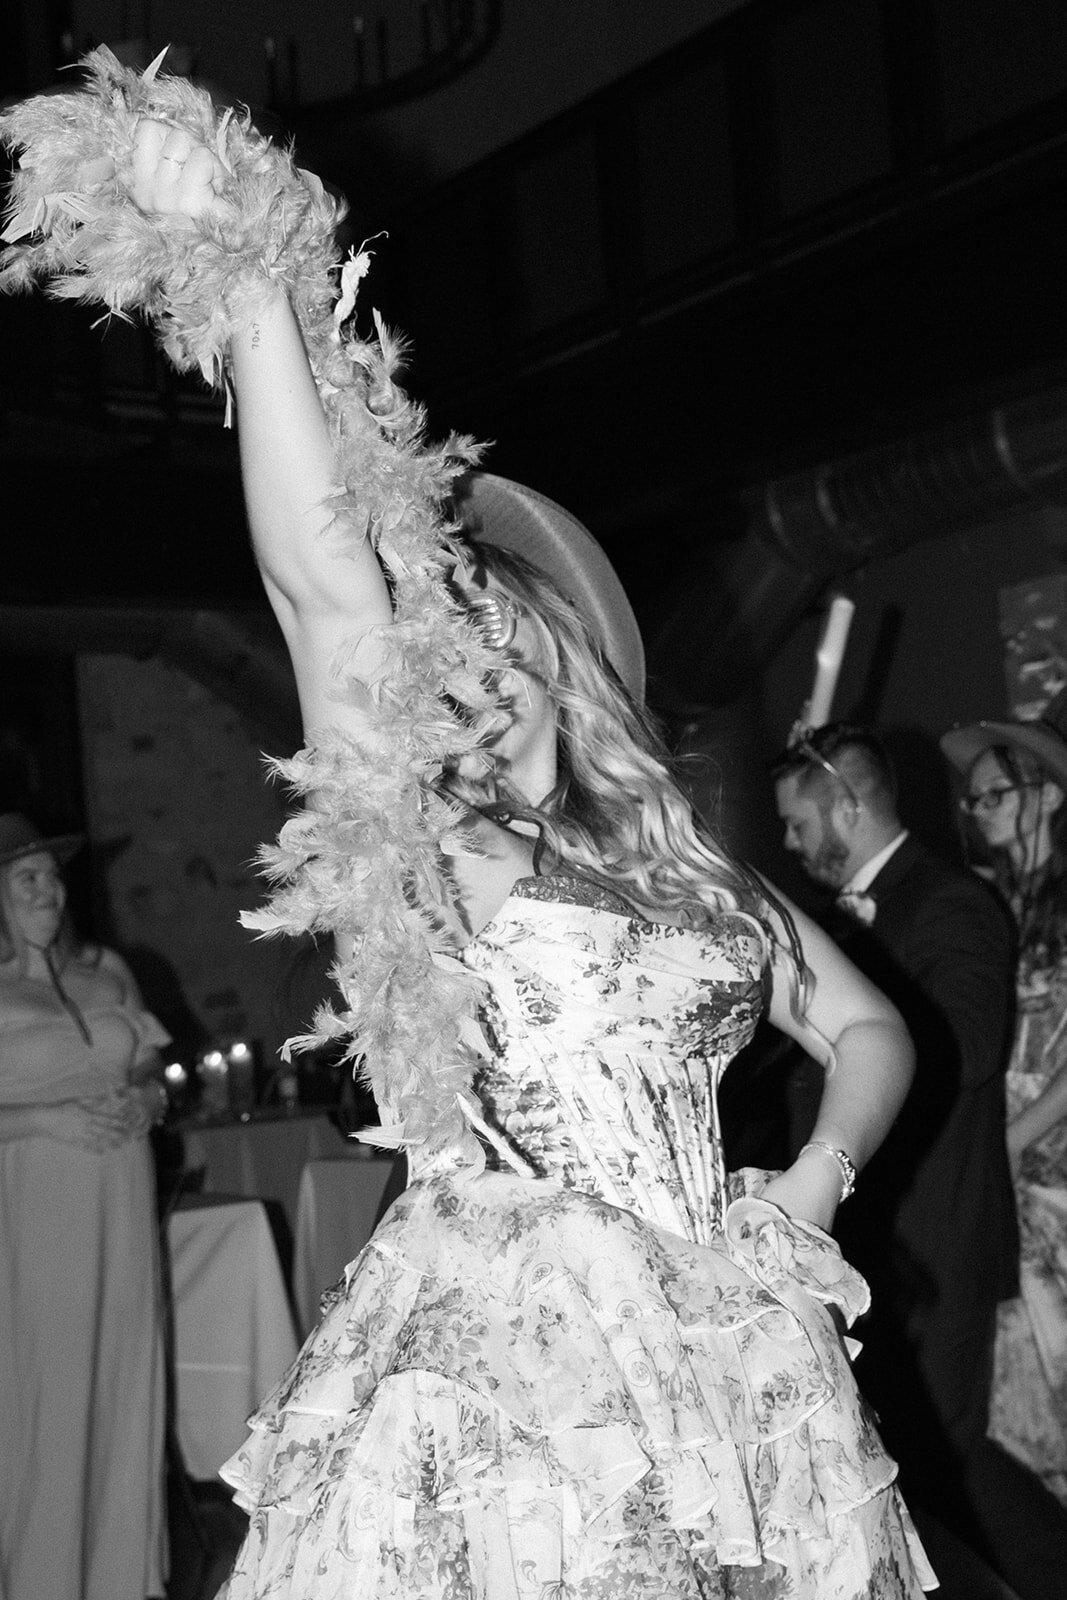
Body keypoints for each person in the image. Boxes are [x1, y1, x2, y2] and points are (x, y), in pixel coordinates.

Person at [1, 57, 935, 1598]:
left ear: (572, 675)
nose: (475, 692)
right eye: (445, 673)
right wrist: (250, 283)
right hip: (509, 1373)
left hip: (730, 1360)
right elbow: (320, 580)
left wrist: (814, 1184)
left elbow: (870, 1030)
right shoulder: (443, 852)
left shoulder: (686, 871)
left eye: (506, 662)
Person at [773, 724, 1067, 1600]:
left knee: (950, 1453)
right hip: (883, 1228)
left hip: (945, 1219)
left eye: (797, 822)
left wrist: (866, 1038)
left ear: (848, 806)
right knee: (935, 1450)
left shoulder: (953, 902)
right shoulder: (849, 916)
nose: (786, 843)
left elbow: (965, 1044)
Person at [0, 812, 170, 1600]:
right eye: (29, 878)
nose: (52, 891)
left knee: (121, 1375)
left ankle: (117, 1578)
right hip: (33, 1211)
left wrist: (145, 1099)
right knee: (44, 1384)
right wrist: (43, 1118)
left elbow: (158, 1073)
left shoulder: (108, 969)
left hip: (121, 1200)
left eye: (56, 876)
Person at [942, 697, 1067, 1509]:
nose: (980, 810)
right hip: (1014, 1169)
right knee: (1020, 1401)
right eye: (974, 799)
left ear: (1050, 794)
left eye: (998, 793)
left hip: (1050, 1167)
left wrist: (1011, 1140)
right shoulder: (992, 903)